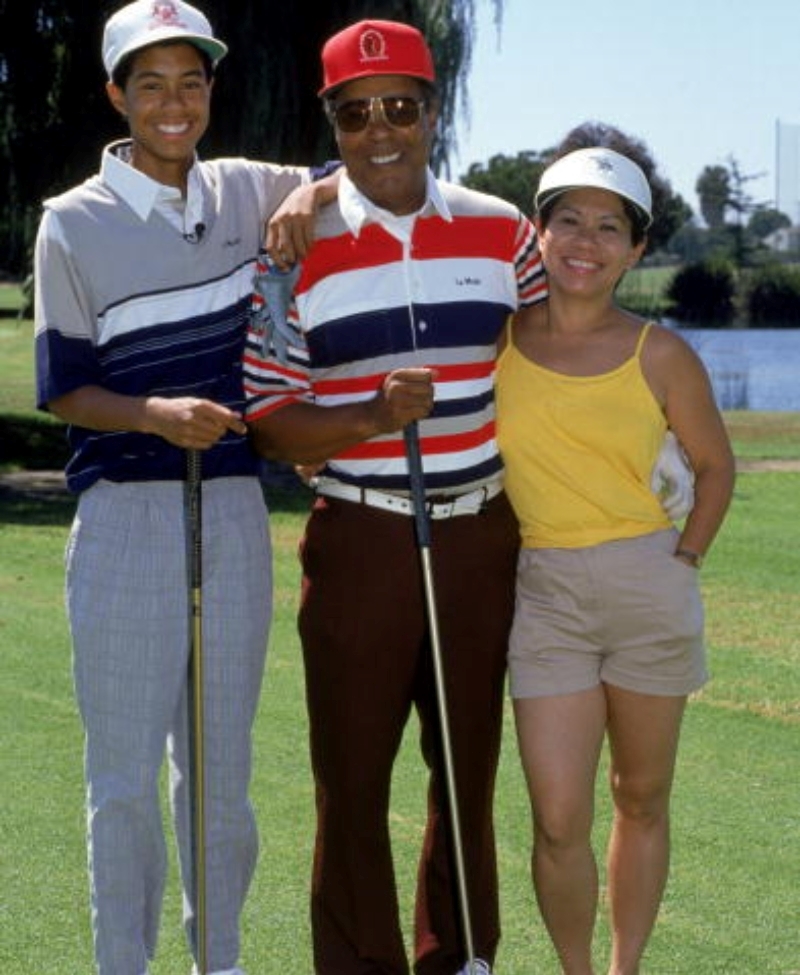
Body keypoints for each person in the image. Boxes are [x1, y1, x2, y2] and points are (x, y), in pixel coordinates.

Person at [33, 2, 334, 973]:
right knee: (122, 780)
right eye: (150, 83)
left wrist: (312, 196)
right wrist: (153, 415)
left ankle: (222, 963)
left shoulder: (250, 189)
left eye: (191, 81)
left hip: (236, 509)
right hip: (124, 516)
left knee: (218, 777)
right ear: (118, 95)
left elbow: (378, 180)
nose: (174, 103)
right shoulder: (71, 224)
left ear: (210, 92)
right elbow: (66, 390)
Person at [243, 18, 547, 975]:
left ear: (432, 110)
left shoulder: (507, 233)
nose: (383, 130)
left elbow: (558, 365)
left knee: (467, 768)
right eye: (356, 112)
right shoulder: (292, 250)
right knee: (352, 777)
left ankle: (463, 958)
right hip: (361, 536)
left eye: (402, 108)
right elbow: (269, 418)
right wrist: (369, 418)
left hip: (479, 535)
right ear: (331, 122)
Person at [494, 126, 736, 975]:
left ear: (635, 248)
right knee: (558, 814)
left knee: (640, 795)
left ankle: (626, 968)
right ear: (539, 232)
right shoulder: (499, 342)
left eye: (609, 227)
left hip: (647, 583)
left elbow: (714, 467)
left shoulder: (660, 352)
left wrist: (683, 560)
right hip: (545, 591)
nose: (585, 242)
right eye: (569, 220)